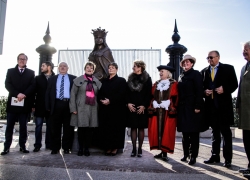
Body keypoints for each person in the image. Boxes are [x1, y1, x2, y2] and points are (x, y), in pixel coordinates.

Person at [201, 50, 238, 168]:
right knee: (215, 133)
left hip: (224, 108)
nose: (209, 59)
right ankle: (215, 156)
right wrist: (204, 92)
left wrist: (224, 89)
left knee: (226, 133)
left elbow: (234, 84)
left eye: (211, 57)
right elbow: (201, 88)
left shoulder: (228, 69)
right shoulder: (204, 72)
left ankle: (228, 159)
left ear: (218, 57)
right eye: (208, 58)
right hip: (211, 108)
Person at [1, 53, 35, 155]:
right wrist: (17, 94)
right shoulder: (10, 71)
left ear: (26, 61)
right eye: (20, 59)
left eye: (24, 59)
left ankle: (22, 146)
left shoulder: (31, 73)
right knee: (9, 126)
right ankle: (6, 147)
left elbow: (32, 86)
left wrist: (24, 94)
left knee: (23, 127)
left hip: (24, 104)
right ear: (17, 60)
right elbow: (7, 84)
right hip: (12, 103)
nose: (22, 61)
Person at [177, 55, 208, 165]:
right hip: (183, 108)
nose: (186, 64)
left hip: (193, 108)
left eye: (188, 62)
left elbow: (200, 91)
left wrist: (198, 106)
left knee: (194, 133)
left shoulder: (196, 74)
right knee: (185, 133)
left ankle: (193, 156)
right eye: (184, 62)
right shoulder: (181, 76)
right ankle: (186, 154)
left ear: (192, 63)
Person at [69, 61, 101, 156]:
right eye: (88, 67)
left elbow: (99, 95)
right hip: (80, 108)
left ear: (93, 70)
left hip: (92, 108)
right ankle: (80, 148)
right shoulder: (78, 80)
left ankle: (87, 148)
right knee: (81, 129)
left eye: (91, 68)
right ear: (85, 68)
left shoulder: (97, 81)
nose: (89, 69)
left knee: (89, 130)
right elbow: (73, 95)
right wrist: (73, 108)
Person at [148, 65, 178, 162]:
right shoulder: (156, 84)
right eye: (160, 71)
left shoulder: (173, 84)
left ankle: (165, 153)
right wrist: (154, 102)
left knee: (166, 131)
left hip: (167, 112)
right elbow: (151, 96)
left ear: (168, 73)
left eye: (162, 71)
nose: (160, 73)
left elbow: (176, 98)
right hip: (157, 111)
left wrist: (169, 103)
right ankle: (161, 151)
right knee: (158, 131)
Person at [45, 62, 76, 154]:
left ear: (68, 68)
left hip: (68, 105)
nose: (62, 67)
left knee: (68, 128)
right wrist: (48, 106)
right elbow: (48, 93)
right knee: (55, 128)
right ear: (58, 68)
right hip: (56, 104)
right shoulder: (52, 79)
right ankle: (55, 148)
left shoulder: (73, 78)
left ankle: (66, 148)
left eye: (65, 66)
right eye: (61, 66)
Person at [98, 62, 127, 156]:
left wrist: (110, 101)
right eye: (109, 68)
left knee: (115, 129)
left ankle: (114, 148)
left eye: (113, 68)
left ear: (117, 69)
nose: (111, 69)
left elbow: (122, 94)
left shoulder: (121, 81)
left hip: (116, 109)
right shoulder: (104, 81)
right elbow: (100, 93)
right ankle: (107, 147)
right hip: (105, 109)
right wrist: (102, 100)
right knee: (106, 128)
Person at [127, 60, 152, 157]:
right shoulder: (130, 78)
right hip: (132, 107)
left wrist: (144, 105)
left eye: (135, 66)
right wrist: (128, 103)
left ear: (140, 67)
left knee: (141, 128)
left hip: (142, 107)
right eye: (133, 66)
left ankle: (140, 149)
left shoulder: (147, 78)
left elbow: (149, 94)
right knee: (133, 127)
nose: (133, 68)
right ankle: (133, 149)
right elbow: (127, 92)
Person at [33, 61, 55, 152]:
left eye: (43, 66)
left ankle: (48, 144)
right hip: (39, 106)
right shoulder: (37, 78)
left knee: (50, 126)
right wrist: (33, 105)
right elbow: (33, 92)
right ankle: (37, 145)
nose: (41, 67)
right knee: (38, 126)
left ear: (49, 67)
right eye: (41, 65)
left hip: (51, 107)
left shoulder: (56, 78)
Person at [236, 41, 250, 178]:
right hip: (246, 111)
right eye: (243, 50)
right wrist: (238, 105)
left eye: (246, 49)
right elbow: (240, 89)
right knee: (247, 139)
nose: (244, 52)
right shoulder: (243, 68)